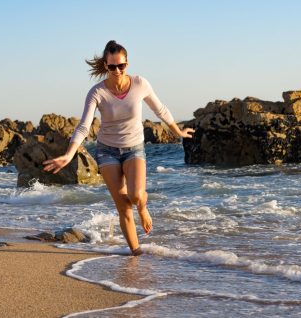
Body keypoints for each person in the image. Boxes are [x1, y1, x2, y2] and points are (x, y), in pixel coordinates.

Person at [42, 40, 194, 256]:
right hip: (107, 151)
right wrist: (69, 154)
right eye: (112, 66)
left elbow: (160, 110)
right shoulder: (97, 92)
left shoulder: (140, 84)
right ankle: (136, 254)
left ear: (127, 64)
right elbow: (84, 126)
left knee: (135, 195)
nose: (117, 71)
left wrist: (177, 132)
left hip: (134, 149)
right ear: (106, 66)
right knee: (123, 208)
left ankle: (143, 208)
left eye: (121, 66)